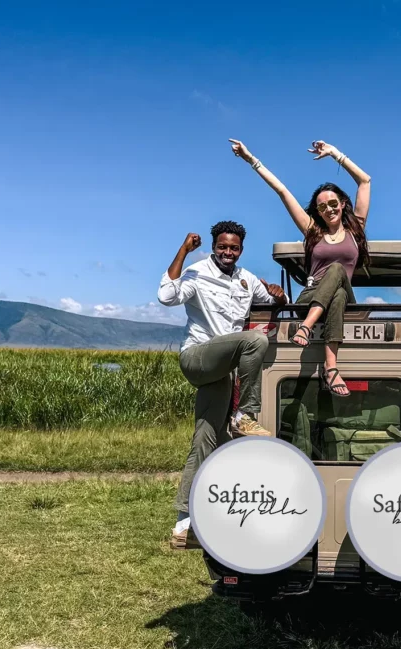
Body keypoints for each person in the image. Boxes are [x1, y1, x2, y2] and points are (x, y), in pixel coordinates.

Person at [158, 221, 287, 549]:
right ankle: (245, 415)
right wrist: (184, 251)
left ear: (240, 250)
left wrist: (278, 293)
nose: (227, 253)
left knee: (204, 439)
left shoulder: (246, 279)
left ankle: (182, 525)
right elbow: (166, 295)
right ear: (213, 246)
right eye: (222, 247)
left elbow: (274, 301)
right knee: (255, 341)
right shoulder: (197, 272)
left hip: (221, 372)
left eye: (234, 248)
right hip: (198, 357)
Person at [228, 138, 371, 397]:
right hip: (311, 295)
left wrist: (335, 153)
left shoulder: (355, 229)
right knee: (335, 293)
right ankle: (331, 367)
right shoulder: (312, 231)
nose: (328, 209)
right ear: (317, 211)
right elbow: (282, 191)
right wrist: (251, 159)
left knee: (338, 273)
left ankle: (306, 326)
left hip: (342, 300)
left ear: (342, 204)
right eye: (321, 206)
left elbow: (365, 181)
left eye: (332, 203)